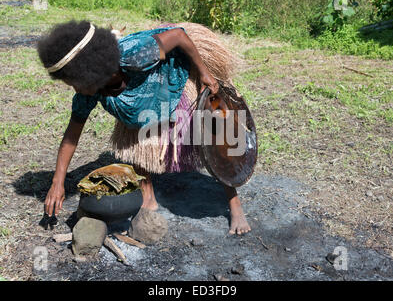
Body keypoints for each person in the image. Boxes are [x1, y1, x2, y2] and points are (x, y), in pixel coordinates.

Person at [37, 20, 251, 235]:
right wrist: (58, 182)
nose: (75, 88)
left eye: (74, 82)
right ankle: (147, 197)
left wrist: (204, 73)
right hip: (138, 113)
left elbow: (178, 35)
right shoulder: (88, 93)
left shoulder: (134, 55)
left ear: (92, 70)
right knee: (134, 138)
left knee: (213, 138)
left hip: (171, 85)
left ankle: (234, 203)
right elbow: (71, 136)